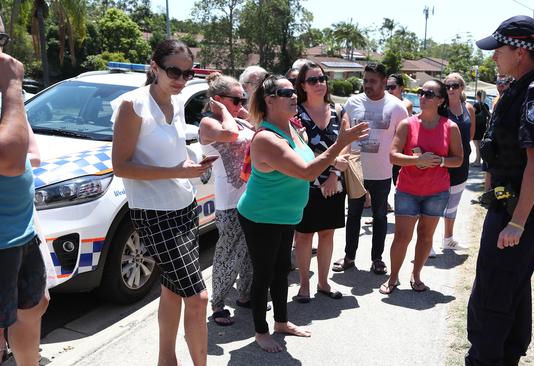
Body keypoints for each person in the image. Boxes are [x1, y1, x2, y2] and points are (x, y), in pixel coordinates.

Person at [236, 74, 367, 352]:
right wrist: (340, 143)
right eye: (286, 93)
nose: (294, 95)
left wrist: (336, 156)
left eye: (293, 91)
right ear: (270, 101)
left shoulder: (292, 129)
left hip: (286, 215)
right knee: (264, 274)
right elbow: (307, 171)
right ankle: (261, 332)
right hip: (262, 216)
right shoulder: (268, 138)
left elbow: (310, 163)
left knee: (281, 270)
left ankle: (282, 322)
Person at [467, 16, 534, 365]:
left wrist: (517, 222)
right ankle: (506, 356)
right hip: (517, 203)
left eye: (499, 50)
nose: (494, 57)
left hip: (520, 210)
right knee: (512, 288)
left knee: (491, 294)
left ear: (521, 51)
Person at [112, 40, 211, 366]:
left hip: (184, 205)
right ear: (154, 66)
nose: (181, 79)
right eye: (174, 71)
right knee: (198, 297)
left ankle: (166, 360)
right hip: (153, 214)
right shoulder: (133, 105)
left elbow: (175, 152)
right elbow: (121, 166)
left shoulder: (178, 101)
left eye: (187, 72)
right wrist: (177, 170)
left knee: (172, 288)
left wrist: (195, 161)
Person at [380, 80, 463, 294]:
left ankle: (416, 275)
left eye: (429, 93)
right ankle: (393, 277)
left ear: (440, 100)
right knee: (402, 237)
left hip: (436, 192)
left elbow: (459, 159)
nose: (423, 96)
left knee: (426, 236)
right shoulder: (408, 124)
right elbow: (393, 156)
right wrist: (417, 161)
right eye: (421, 92)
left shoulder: (450, 127)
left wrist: (440, 161)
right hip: (408, 189)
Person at [331, 62, 408, 275]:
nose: (367, 85)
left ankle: (377, 259)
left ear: (384, 82)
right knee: (353, 215)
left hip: (382, 173)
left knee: (380, 216)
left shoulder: (397, 107)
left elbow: (403, 139)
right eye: (365, 80)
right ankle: (349, 256)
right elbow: (344, 134)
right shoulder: (353, 102)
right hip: (356, 171)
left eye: (373, 81)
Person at [0, 48, 49, 366]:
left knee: (35, 304)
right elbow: (10, 157)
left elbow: (28, 150)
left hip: (21, 231)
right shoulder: (9, 88)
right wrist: (13, 86)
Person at [198, 72, 257, 326]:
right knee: (227, 253)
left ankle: (245, 294)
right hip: (229, 202)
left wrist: (245, 116)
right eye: (236, 100)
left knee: (248, 252)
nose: (241, 105)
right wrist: (223, 111)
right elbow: (230, 136)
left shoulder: (239, 120)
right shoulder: (209, 123)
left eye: (244, 99)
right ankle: (219, 303)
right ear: (218, 100)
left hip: (251, 199)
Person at [292, 62, 349, 303]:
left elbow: (346, 143)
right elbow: (295, 148)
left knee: (327, 234)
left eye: (322, 79)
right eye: (312, 80)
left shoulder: (338, 110)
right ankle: (304, 285)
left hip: (334, 183)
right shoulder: (295, 113)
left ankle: (324, 282)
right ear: (302, 85)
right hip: (304, 183)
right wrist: (323, 171)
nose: (319, 84)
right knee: (304, 236)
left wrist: (334, 174)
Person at [439, 72, 475, 253]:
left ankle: (448, 239)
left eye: (455, 85)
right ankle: (427, 243)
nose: (451, 89)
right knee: (434, 203)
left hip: (462, 163)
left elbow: (471, 135)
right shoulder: (440, 109)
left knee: (453, 203)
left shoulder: (468, 108)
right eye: (447, 86)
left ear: (462, 87)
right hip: (443, 163)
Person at [386, 73, 414, 188]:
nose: (389, 90)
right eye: (386, 87)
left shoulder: (406, 104)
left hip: (400, 148)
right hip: (385, 146)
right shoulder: (385, 102)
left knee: (397, 180)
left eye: (392, 87)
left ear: (401, 88)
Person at [472, 89, 490, 166]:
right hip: (482, 126)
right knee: (479, 144)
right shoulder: (486, 105)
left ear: (477, 96)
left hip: (476, 126)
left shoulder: (476, 105)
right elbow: (489, 116)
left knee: (477, 144)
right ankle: (477, 160)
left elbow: (471, 114)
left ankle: (478, 161)